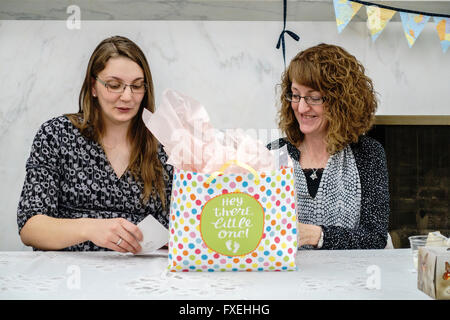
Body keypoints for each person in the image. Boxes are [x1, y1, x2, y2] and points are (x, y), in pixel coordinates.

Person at [17, 36, 173, 253]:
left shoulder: (166, 146)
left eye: (137, 86)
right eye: (114, 85)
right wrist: (89, 227)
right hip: (66, 278)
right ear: (93, 87)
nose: (128, 97)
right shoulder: (56, 135)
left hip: (142, 279)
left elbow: (184, 226)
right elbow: (30, 228)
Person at [268, 43, 390, 250]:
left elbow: (375, 237)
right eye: (295, 95)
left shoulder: (368, 153)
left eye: (314, 97)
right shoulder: (272, 154)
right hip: (285, 279)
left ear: (341, 103)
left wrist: (315, 235)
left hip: (350, 280)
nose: (302, 107)